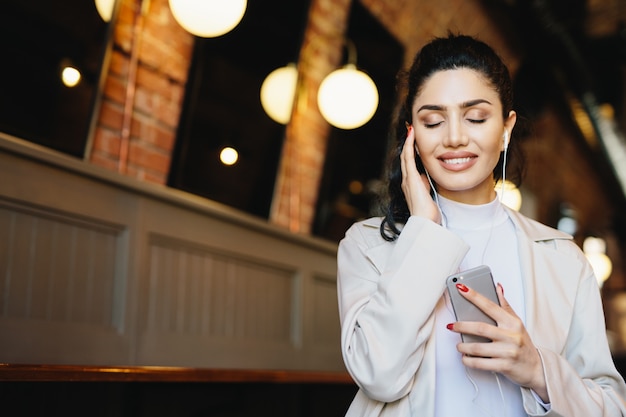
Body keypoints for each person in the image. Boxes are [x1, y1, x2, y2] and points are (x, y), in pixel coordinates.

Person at [336, 33, 626, 416]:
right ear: (413, 135)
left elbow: (611, 404)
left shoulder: (564, 258)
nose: (455, 137)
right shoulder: (367, 245)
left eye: (475, 117)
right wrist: (424, 230)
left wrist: (537, 369)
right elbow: (378, 375)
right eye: (433, 121)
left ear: (506, 129)